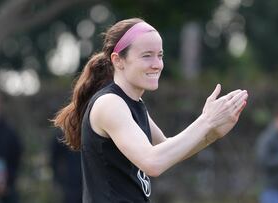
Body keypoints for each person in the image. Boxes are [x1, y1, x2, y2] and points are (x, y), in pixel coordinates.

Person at [52, 18, 248, 202]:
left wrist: (211, 133)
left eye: (160, 55)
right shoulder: (109, 104)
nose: (157, 64)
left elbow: (168, 148)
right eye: (147, 56)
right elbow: (152, 162)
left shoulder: (133, 104)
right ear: (118, 60)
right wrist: (206, 121)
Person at [50, 130, 82, 203]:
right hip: (69, 183)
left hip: (83, 181)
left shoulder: (86, 132)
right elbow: (54, 160)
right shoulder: (61, 136)